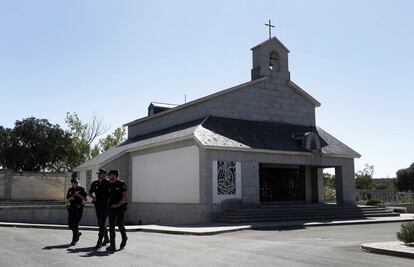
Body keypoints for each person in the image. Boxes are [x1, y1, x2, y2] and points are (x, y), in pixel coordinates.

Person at [106, 169, 128, 252]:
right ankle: (112, 245)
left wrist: (117, 204)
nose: (109, 176)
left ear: (115, 175)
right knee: (111, 226)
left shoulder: (122, 184)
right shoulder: (110, 184)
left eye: (110, 175)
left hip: (120, 208)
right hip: (111, 208)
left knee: (119, 224)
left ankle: (124, 238)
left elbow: (125, 197)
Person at [88, 168, 111, 248]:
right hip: (97, 205)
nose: (98, 175)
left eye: (99, 173)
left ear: (104, 174)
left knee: (101, 223)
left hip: (105, 206)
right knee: (100, 223)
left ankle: (99, 241)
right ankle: (107, 238)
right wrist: (93, 197)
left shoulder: (108, 183)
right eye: (98, 174)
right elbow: (89, 193)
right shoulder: (95, 183)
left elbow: (111, 195)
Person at [66, 174, 87, 246]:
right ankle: (77, 233)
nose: (75, 184)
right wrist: (71, 197)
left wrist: (78, 195)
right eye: (73, 183)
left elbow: (85, 199)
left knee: (75, 224)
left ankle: (74, 239)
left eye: (76, 182)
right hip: (71, 209)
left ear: (78, 182)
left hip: (79, 209)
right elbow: (67, 200)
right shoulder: (70, 190)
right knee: (70, 225)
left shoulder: (81, 189)